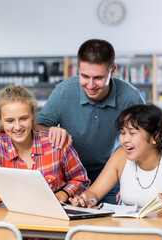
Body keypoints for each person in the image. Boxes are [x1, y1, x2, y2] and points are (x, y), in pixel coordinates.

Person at [36, 39, 145, 204]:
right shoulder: (64, 91)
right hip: (68, 177)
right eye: (84, 76)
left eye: (98, 78)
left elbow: (145, 140)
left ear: (112, 71)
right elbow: (37, 128)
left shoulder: (130, 97)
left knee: (106, 226)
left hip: (109, 177)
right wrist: (51, 130)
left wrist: (133, 179)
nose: (91, 85)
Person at [69, 104, 162, 211]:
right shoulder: (120, 157)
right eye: (123, 133)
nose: (124, 140)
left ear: (155, 137)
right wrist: (86, 200)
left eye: (132, 133)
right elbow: (94, 193)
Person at [0, 86, 90, 207]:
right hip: (10, 220)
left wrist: (62, 195)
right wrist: (15, 183)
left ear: (32, 115)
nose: (18, 127)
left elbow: (80, 179)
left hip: (52, 218)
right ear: (0, 119)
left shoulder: (56, 144)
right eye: (10, 121)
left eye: (23, 118)